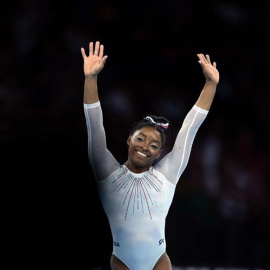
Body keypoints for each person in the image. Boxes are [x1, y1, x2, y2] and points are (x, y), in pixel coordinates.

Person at [81, 41, 219, 270]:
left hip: (159, 262)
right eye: (141, 138)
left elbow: (190, 128)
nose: (146, 146)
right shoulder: (106, 172)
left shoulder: (167, 174)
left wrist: (211, 84)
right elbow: (94, 126)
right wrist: (91, 79)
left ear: (159, 154)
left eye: (155, 145)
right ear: (129, 140)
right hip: (121, 262)